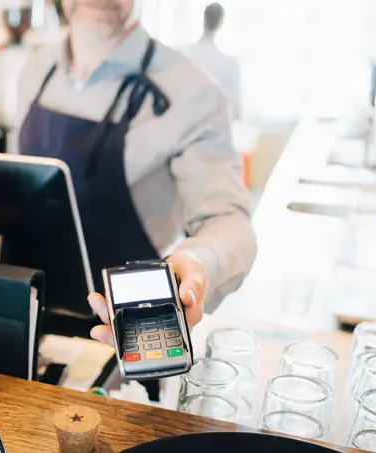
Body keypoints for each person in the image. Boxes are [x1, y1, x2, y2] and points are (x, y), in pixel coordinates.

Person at [16, 0, 256, 344]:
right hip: (28, 321)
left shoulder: (194, 93)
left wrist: (197, 262)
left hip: (131, 338)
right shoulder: (35, 67)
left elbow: (230, 221)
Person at [181, 3, 242, 120]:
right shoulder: (228, 62)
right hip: (213, 120)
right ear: (221, 23)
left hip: (188, 118)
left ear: (203, 19)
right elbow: (235, 101)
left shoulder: (186, 53)